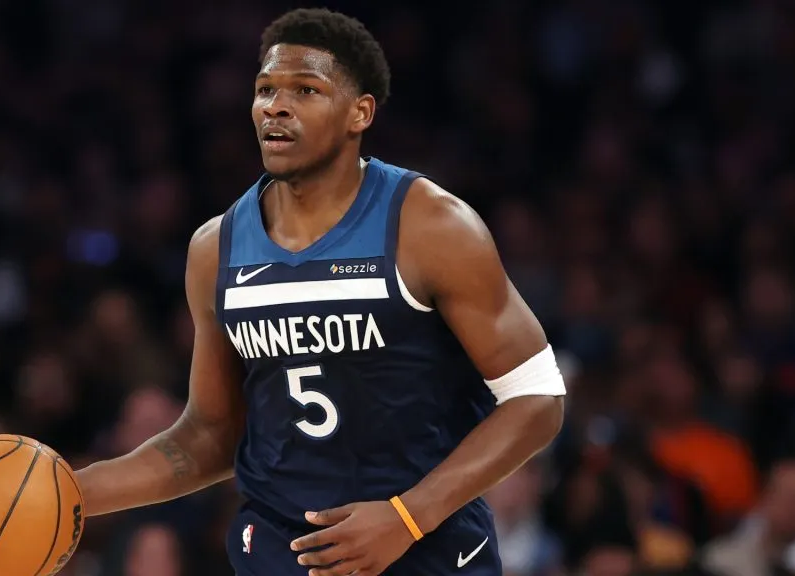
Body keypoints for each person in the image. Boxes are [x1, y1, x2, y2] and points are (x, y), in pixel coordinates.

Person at [76, 8, 566, 576]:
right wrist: (72, 493)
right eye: (265, 90)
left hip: (426, 546)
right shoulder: (216, 248)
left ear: (360, 112)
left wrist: (407, 517)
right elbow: (211, 434)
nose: (275, 107)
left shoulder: (431, 227)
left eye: (305, 90)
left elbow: (538, 399)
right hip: (282, 549)